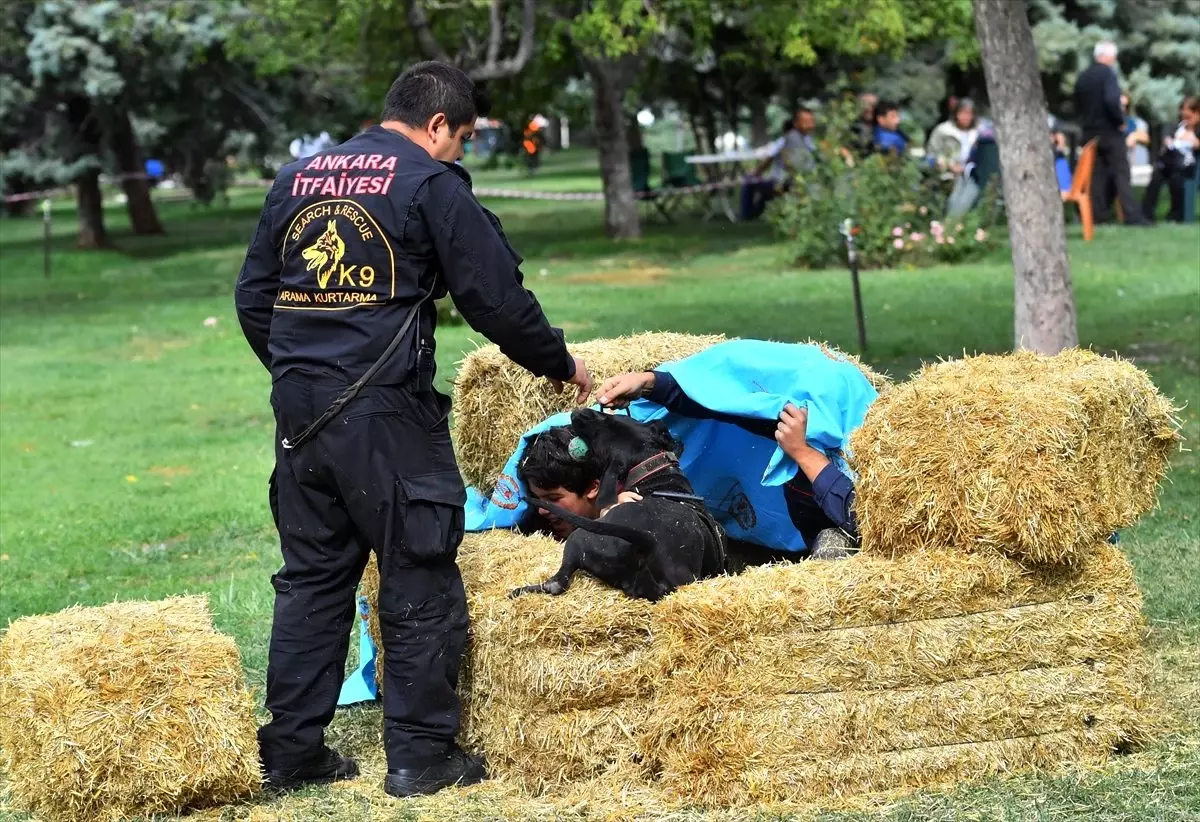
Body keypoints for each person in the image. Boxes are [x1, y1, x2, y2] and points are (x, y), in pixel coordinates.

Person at [234, 61, 593, 798]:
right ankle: (423, 759)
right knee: (420, 573)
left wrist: (300, 374)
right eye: (460, 140)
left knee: (311, 581)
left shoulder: (300, 176)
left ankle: (291, 753)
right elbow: (494, 298)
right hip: (387, 416)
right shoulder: (429, 183)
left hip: (301, 415)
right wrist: (561, 363)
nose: (458, 153)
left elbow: (253, 297)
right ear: (438, 126)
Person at [594, 370, 858, 552]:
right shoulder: (791, 417)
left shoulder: (863, 456)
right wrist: (652, 383)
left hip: (825, 531)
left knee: (832, 546)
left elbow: (862, 516)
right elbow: (735, 404)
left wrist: (803, 452)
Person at [1073, 41, 1149, 226]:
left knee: (1097, 175)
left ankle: (1097, 215)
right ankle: (1132, 215)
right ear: (1107, 56)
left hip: (1090, 132)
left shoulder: (1083, 76)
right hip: (1109, 131)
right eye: (1113, 57)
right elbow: (1111, 100)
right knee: (1121, 173)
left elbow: (1077, 102)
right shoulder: (1108, 74)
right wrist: (1119, 122)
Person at [741, 108, 818, 220]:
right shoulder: (809, 142)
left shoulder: (784, 141)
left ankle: (747, 215)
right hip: (799, 182)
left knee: (749, 181)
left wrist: (755, 172)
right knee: (766, 191)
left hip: (783, 183)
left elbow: (768, 160)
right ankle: (755, 214)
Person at [1142, 96, 1200, 223]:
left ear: (1197, 115)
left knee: (1176, 180)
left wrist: (1195, 142)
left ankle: (1176, 215)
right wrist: (1169, 140)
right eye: (1183, 115)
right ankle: (1146, 214)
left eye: (1189, 117)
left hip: (1187, 167)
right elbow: (1166, 137)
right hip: (1170, 163)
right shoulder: (1175, 127)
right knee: (1156, 177)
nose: (1186, 120)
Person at [925, 98, 978, 178]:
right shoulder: (943, 130)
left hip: (969, 176)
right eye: (962, 113)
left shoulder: (976, 133)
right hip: (946, 175)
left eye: (969, 114)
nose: (965, 117)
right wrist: (949, 165)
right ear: (956, 114)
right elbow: (931, 154)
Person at [1122, 92, 1151, 168]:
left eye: (1125, 106)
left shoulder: (1135, 122)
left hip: (1137, 167)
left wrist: (1134, 136)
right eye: (1120, 105)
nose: (1123, 109)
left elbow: (1145, 138)